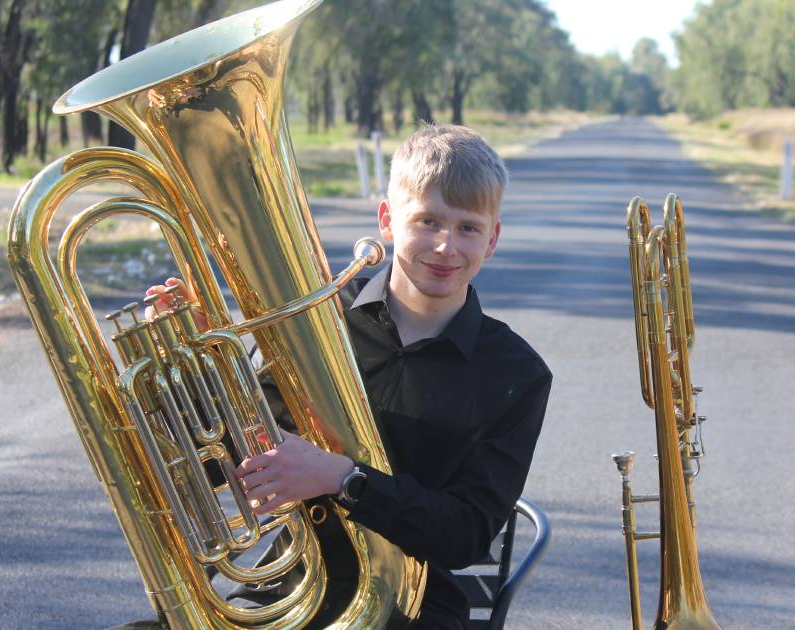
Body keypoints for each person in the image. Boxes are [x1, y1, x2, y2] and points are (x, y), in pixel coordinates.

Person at [145, 125, 552, 629]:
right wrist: (201, 370)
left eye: (467, 228)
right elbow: (224, 459)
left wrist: (344, 479)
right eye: (427, 221)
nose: (446, 246)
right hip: (295, 587)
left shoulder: (517, 374)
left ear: (492, 239)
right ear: (387, 220)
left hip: (417, 606)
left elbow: (467, 535)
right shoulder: (316, 320)